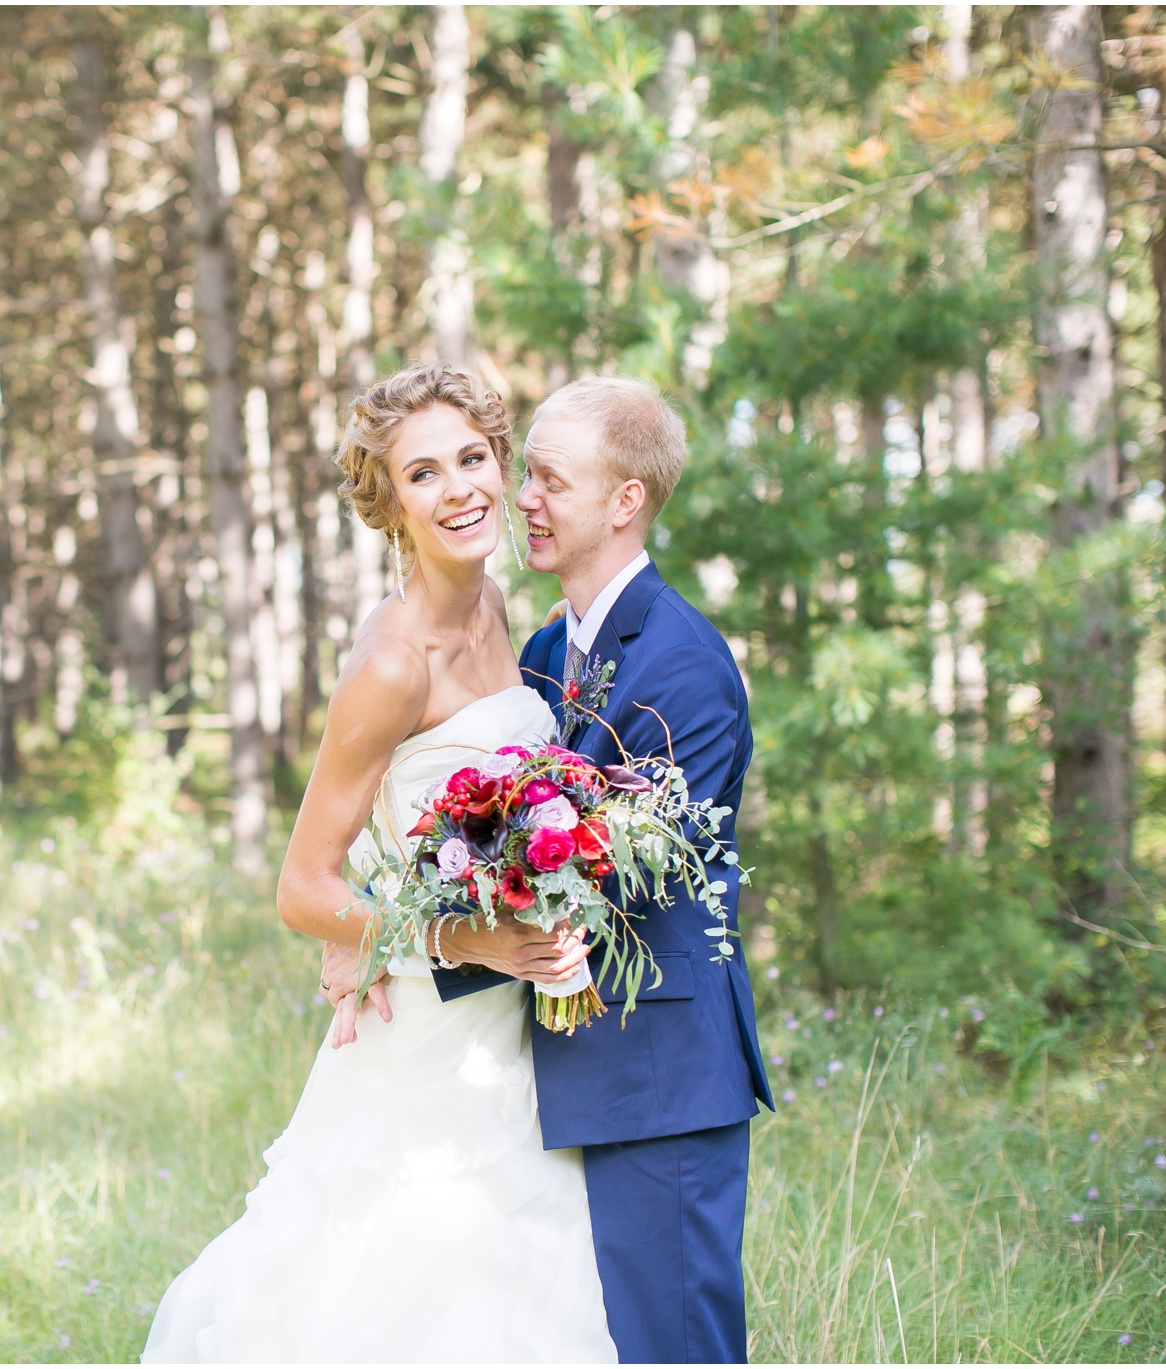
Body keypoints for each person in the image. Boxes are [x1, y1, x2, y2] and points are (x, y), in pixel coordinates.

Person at [142, 362, 616, 1363]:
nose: (459, 490)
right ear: (389, 503)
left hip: (515, 1038)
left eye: (473, 459)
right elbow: (300, 886)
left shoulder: (509, 622)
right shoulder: (394, 662)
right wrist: (470, 937)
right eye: (423, 474)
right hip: (428, 1050)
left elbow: (402, 827)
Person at [436, 376, 774, 1362]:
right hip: (545, 1068)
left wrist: (430, 938)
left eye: (547, 479)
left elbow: (605, 879)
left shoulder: (684, 667)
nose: (521, 498)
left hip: (654, 1082)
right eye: (524, 474)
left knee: (668, 1345)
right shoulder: (542, 647)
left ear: (624, 500)